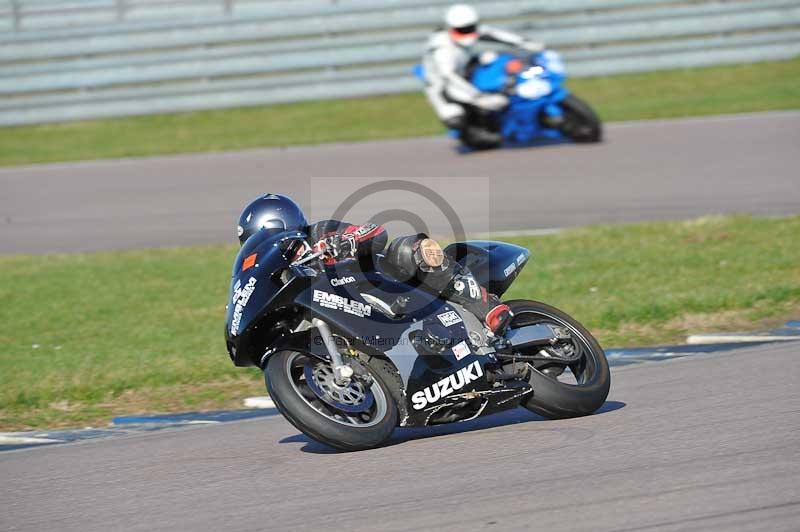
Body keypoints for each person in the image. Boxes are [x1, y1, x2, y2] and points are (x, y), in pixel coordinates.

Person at [237, 194, 512, 335]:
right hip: (357, 317)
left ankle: (483, 305)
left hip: (387, 281)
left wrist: (344, 242)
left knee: (409, 249)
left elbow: (374, 231)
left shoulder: (319, 232)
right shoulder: (284, 275)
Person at [421, 4, 545, 145]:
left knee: (493, 61)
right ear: (451, 28)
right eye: (462, 30)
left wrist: (525, 42)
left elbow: (495, 34)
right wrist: (478, 96)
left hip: (465, 68)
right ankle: (470, 135)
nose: (467, 32)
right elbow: (449, 76)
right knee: (454, 117)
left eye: (470, 28)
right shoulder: (442, 48)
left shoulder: (473, 30)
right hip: (442, 85)